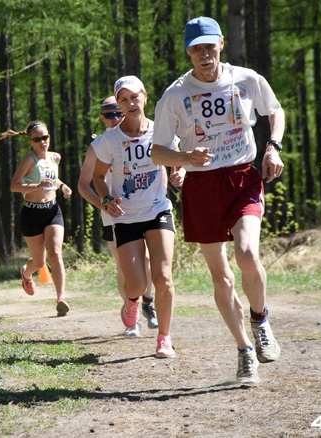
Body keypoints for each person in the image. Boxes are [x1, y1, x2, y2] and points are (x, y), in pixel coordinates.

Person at [151, 16, 284, 384]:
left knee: (247, 254)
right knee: (222, 277)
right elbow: (158, 151)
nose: (204, 54)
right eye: (196, 49)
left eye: (209, 46)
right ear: (188, 52)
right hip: (202, 186)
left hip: (242, 176)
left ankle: (260, 320)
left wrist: (272, 147)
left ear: (221, 44)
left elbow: (275, 110)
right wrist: (185, 160)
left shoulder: (246, 79)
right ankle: (244, 351)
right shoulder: (175, 95)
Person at [92, 75, 187, 358]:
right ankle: (132, 301)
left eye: (134, 97)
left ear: (144, 96)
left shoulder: (161, 131)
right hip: (125, 217)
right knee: (136, 284)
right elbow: (97, 177)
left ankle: (164, 338)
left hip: (158, 210)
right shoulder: (111, 140)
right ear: (119, 104)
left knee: (163, 276)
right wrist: (107, 199)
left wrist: (179, 170)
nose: (130, 103)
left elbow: (177, 158)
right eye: (123, 99)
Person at [78, 96, 159, 337]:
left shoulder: (147, 134)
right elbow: (84, 184)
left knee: (146, 261)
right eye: (108, 114)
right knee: (126, 266)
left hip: (147, 209)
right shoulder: (100, 144)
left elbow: (160, 169)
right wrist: (104, 204)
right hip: (115, 216)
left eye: (117, 112)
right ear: (101, 118)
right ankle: (131, 319)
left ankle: (148, 302)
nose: (114, 118)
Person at [1, 121, 73, 317]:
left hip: (52, 211)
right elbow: (14, 186)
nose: (43, 142)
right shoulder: (29, 160)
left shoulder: (54, 157)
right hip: (32, 214)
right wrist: (37, 187)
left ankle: (61, 298)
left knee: (56, 252)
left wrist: (62, 186)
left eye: (45, 137)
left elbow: (53, 179)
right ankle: (26, 273)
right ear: (30, 142)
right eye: (37, 139)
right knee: (40, 262)